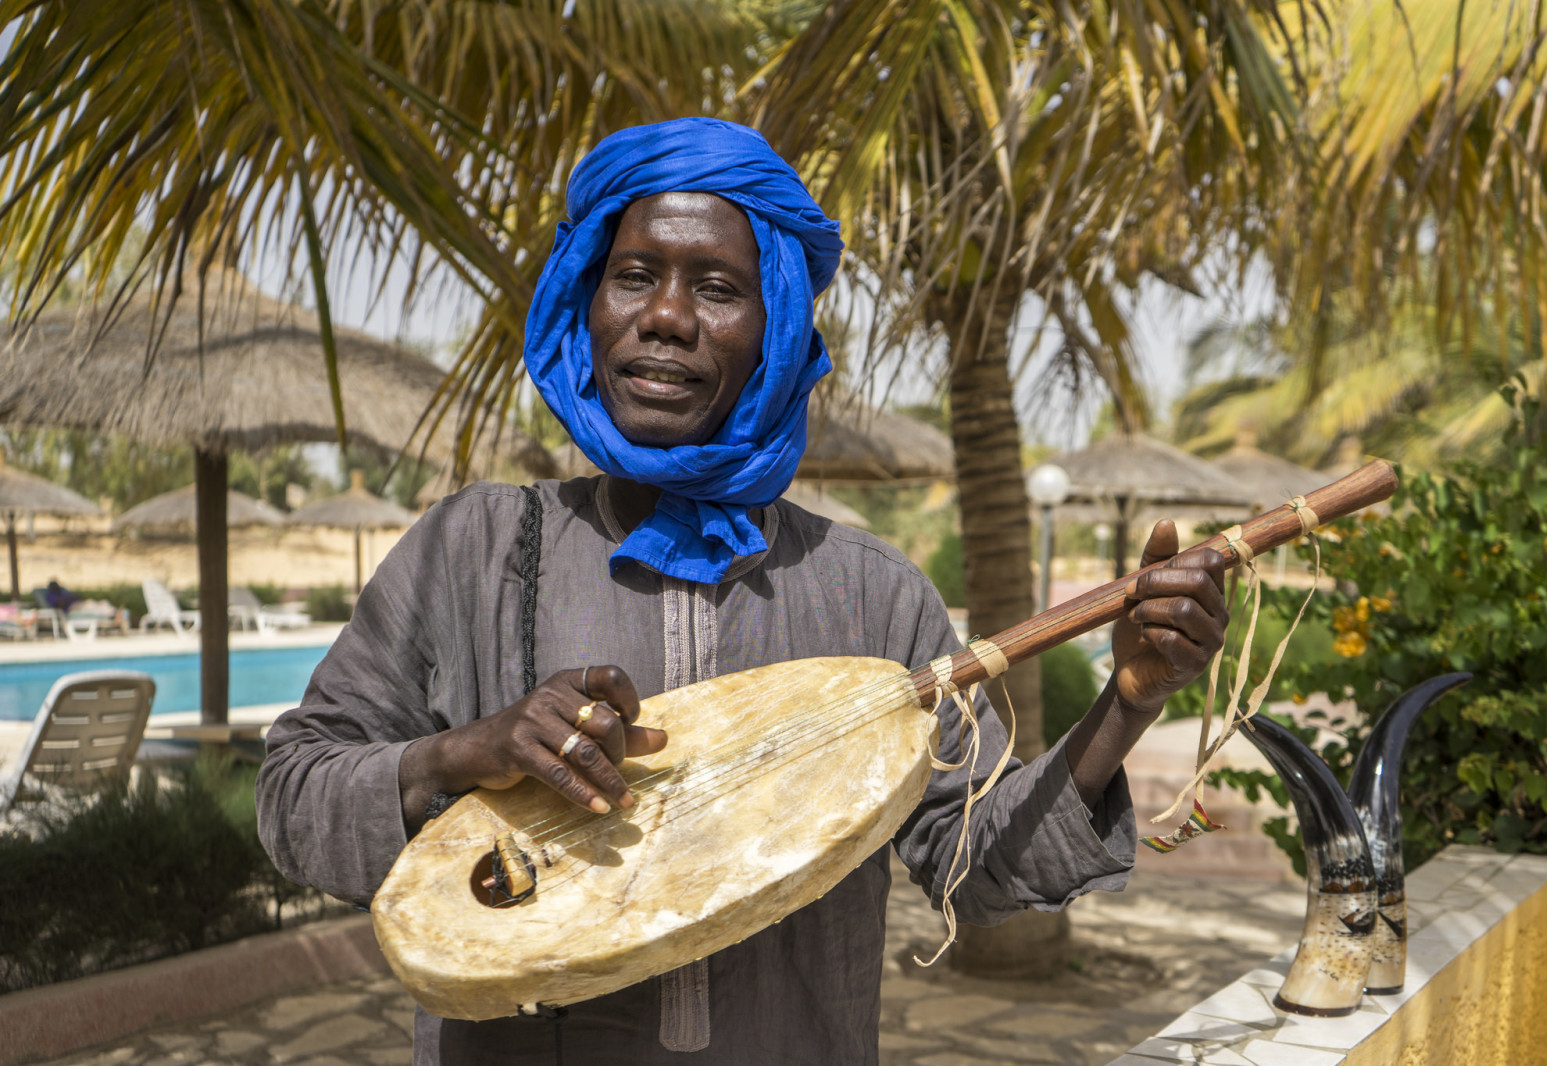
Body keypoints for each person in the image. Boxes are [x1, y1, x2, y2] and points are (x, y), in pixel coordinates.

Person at [256, 118, 1228, 1065]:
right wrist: (465, 752)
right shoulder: (472, 549)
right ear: (582, 302)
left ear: (774, 329)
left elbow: (973, 868)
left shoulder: (871, 594)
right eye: (632, 274)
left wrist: (1128, 699)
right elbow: (292, 796)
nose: (666, 316)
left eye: (717, 287)